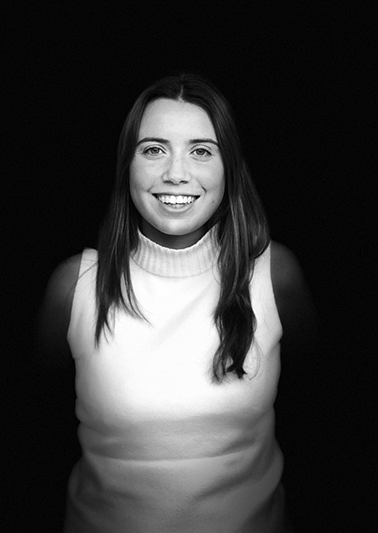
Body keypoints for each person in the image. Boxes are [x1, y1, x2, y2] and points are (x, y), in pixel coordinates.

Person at [36, 73, 316, 532]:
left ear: (229, 167)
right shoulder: (74, 286)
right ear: (127, 165)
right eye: (154, 149)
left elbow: (323, 405)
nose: (176, 173)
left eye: (201, 151)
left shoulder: (274, 277)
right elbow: (30, 422)